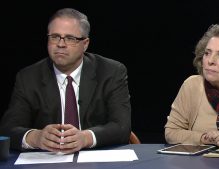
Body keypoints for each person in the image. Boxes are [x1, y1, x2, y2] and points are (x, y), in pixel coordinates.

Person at [0, 8, 131, 154]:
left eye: (70, 38)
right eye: (55, 37)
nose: (60, 44)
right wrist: (35, 137)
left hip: (95, 158)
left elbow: (122, 127)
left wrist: (85, 138)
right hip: (47, 159)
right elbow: (8, 129)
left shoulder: (111, 72)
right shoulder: (28, 77)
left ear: (85, 43)